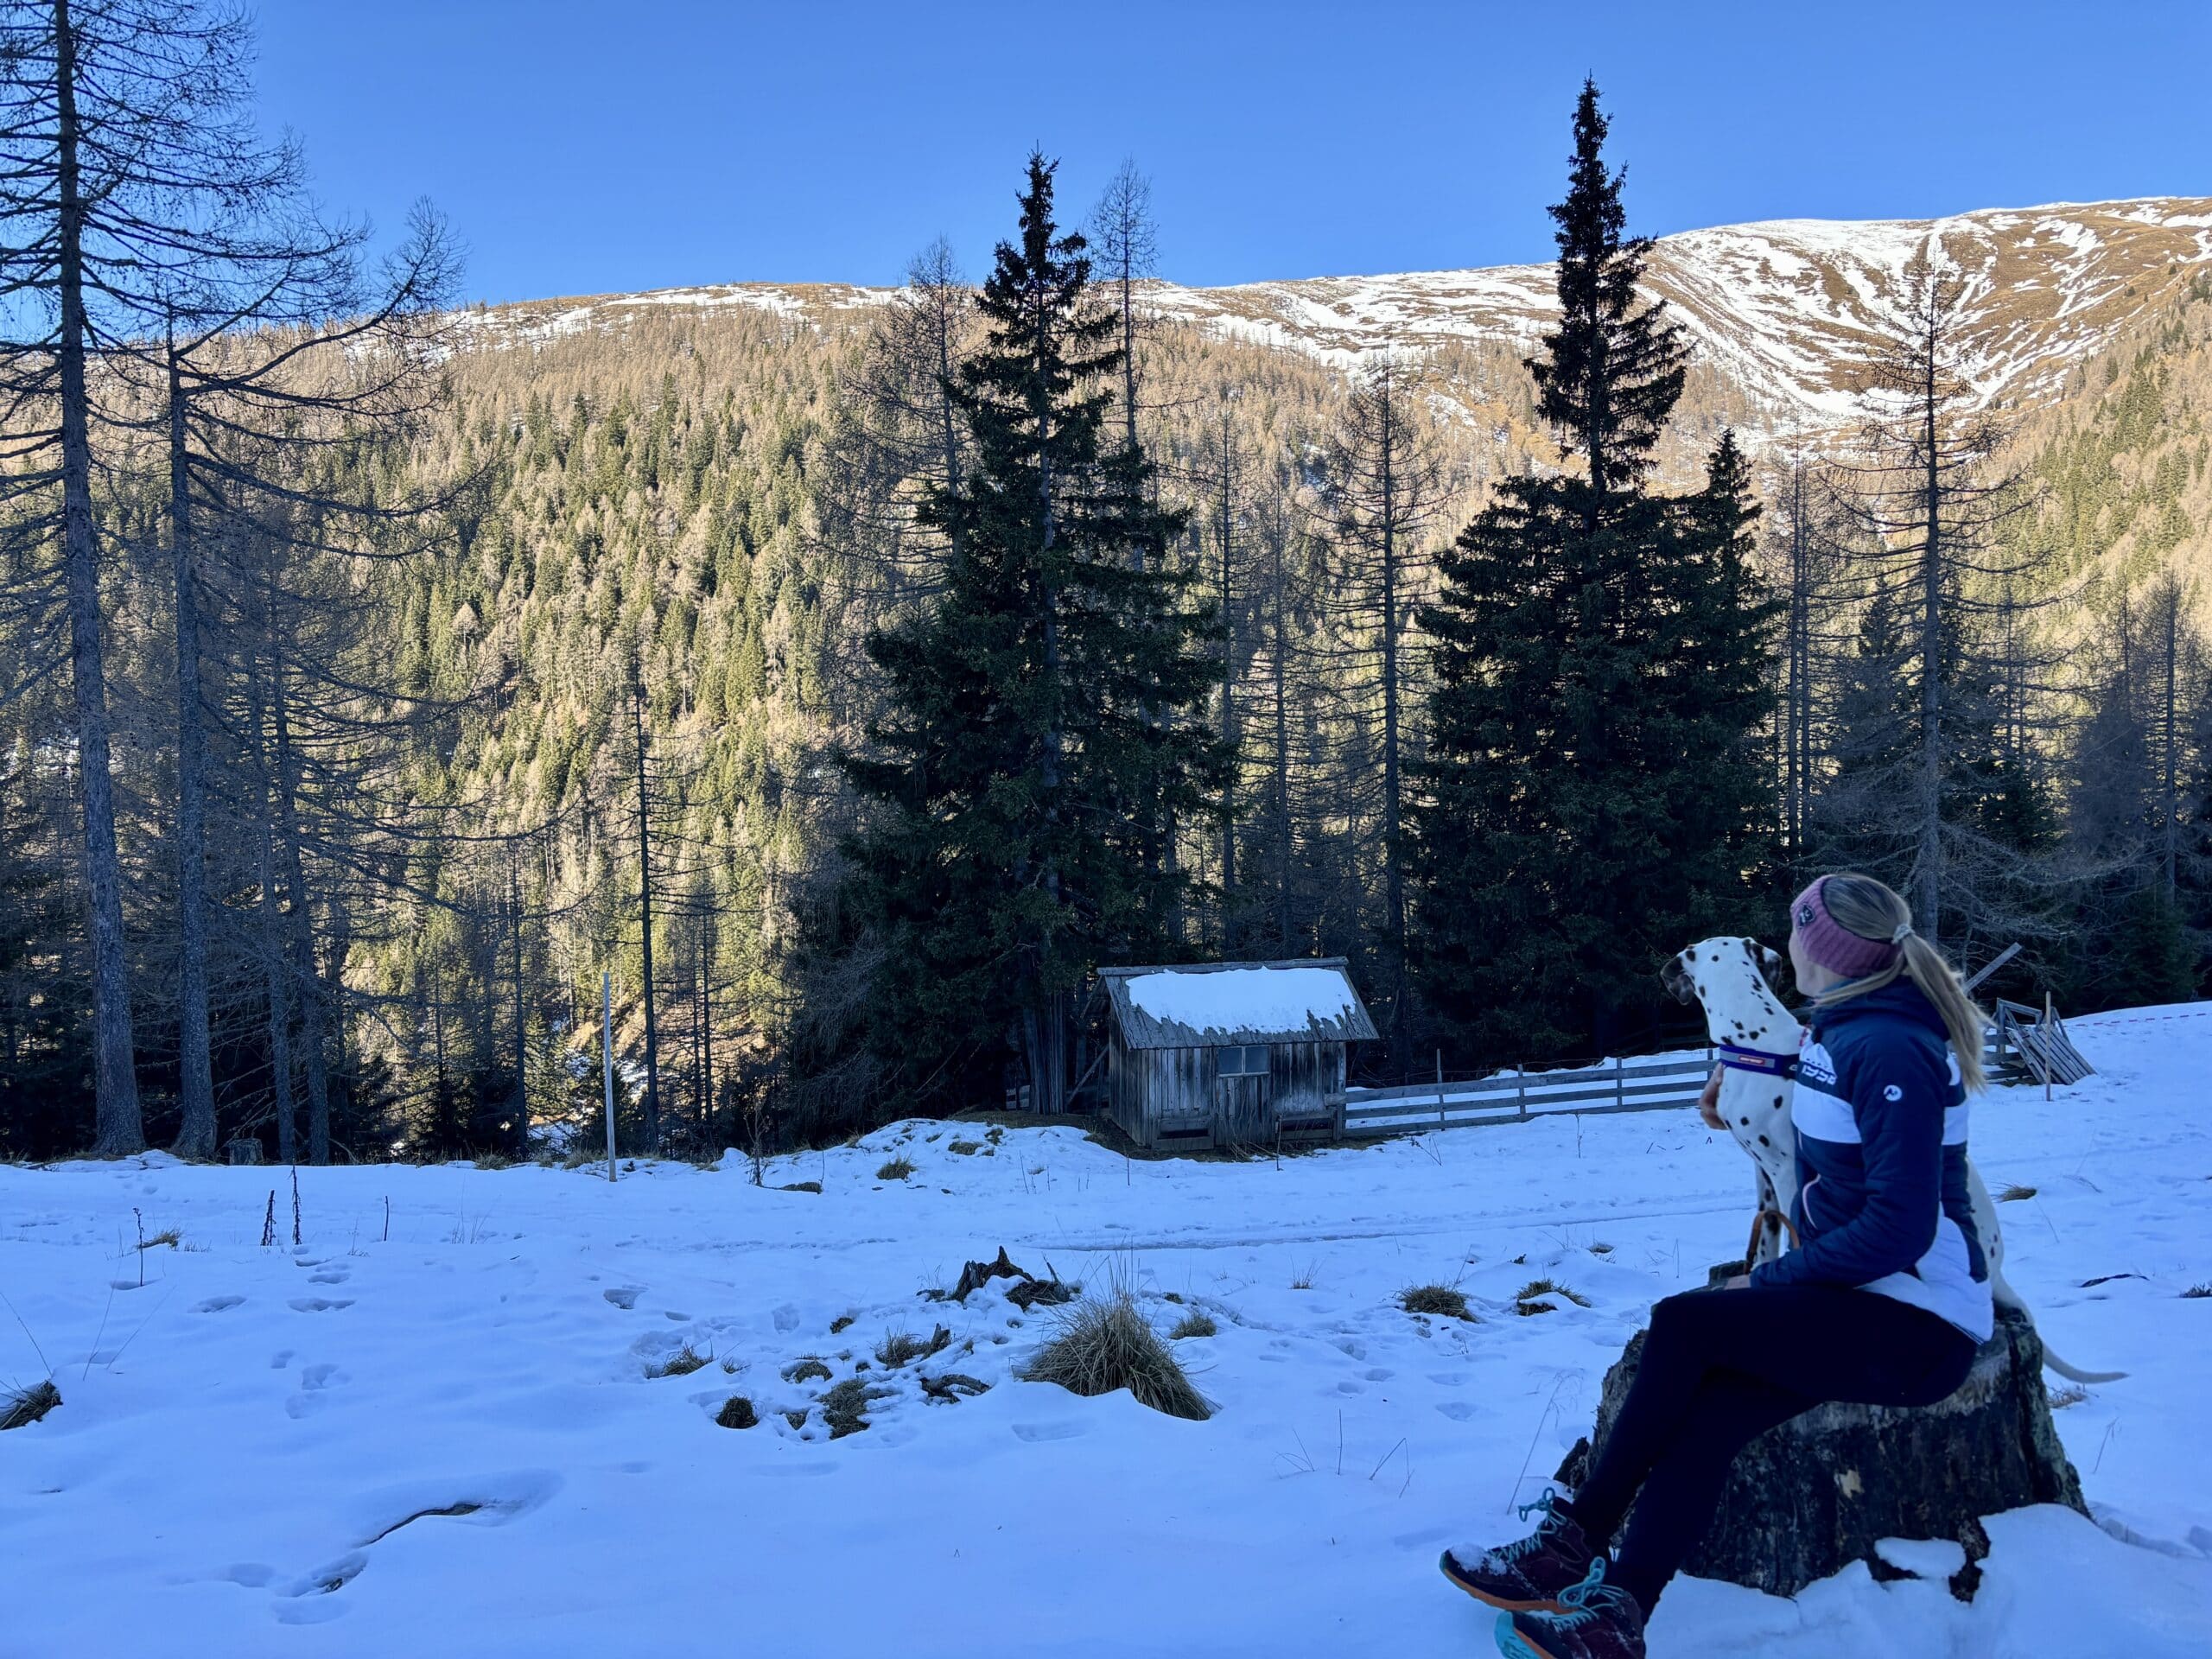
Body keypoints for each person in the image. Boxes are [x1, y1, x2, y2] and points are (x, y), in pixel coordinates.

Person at [1440, 873, 1994, 1659]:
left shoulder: (1888, 1045)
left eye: (1796, 929)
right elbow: (1821, 1121)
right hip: (1863, 1301)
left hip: (1917, 1326)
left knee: (1684, 1324)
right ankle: (1617, 1619)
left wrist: (1767, 1278)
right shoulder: (1844, 1024)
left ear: (1824, 947)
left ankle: (1574, 1543)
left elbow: (1898, 1229)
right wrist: (1733, 1089)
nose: (1788, 944)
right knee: (1707, 1421)